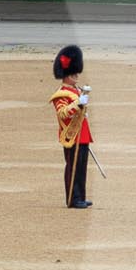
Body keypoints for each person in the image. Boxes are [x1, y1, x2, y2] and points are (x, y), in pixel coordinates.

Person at [50, 46, 92, 209]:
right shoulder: (61, 94)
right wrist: (77, 103)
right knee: (73, 167)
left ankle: (80, 195)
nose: (77, 76)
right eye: (74, 73)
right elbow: (62, 113)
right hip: (72, 135)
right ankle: (72, 198)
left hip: (82, 134)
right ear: (66, 75)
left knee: (81, 168)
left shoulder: (76, 90)